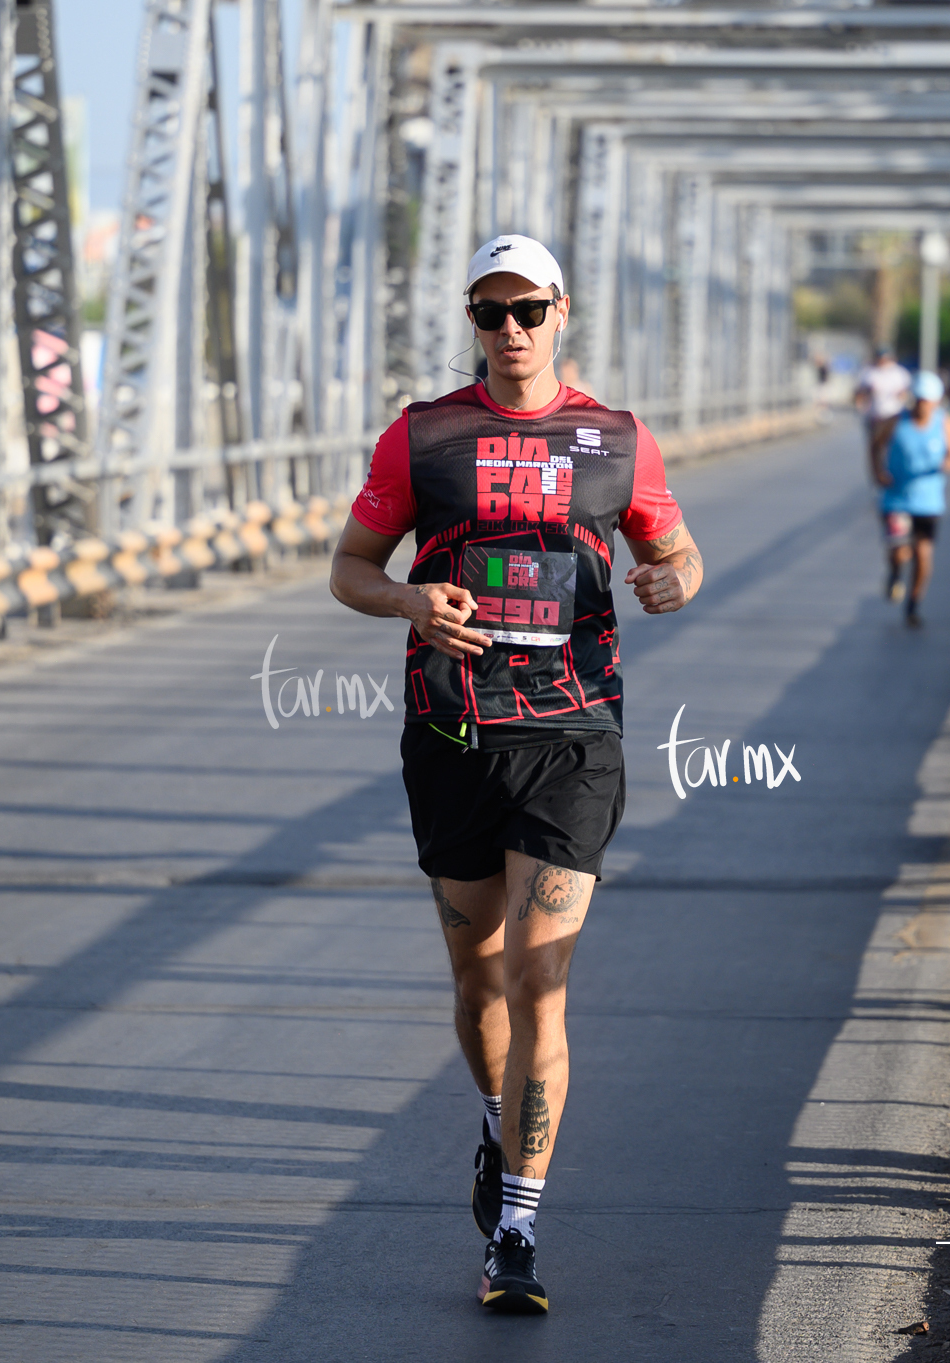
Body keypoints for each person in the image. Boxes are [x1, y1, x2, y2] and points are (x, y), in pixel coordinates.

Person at [329, 234, 703, 1315]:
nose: (508, 331)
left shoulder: (616, 440)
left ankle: (517, 1231)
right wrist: (409, 600)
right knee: (477, 981)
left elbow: (677, 550)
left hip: (573, 737)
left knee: (542, 979)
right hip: (449, 735)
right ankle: (498, 1123)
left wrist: (671, 577)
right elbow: (348, 569)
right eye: (487, 312)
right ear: (471, 320)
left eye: (526, 309)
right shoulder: (422, 436)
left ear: (560, 311)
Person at [871, 371, 950, 628]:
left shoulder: (945, 424)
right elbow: (875, 444)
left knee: (923, 554)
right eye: (919, 399)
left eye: (927, 400)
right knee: (900, 551)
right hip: (897, 500)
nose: (922, 405)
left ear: (936, 401)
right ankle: (896, 573)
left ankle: (914, 603)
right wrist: (877, 471)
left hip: (928, 502)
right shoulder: (895, 422)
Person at [854, 348, 911, 454]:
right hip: (875, 416)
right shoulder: (868, 372)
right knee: (876, 447)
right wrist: (867, 394)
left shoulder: (899, 373)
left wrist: (900, 395)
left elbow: (906, 393)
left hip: (894, 416)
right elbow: (859, 393)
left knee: (893, 446)